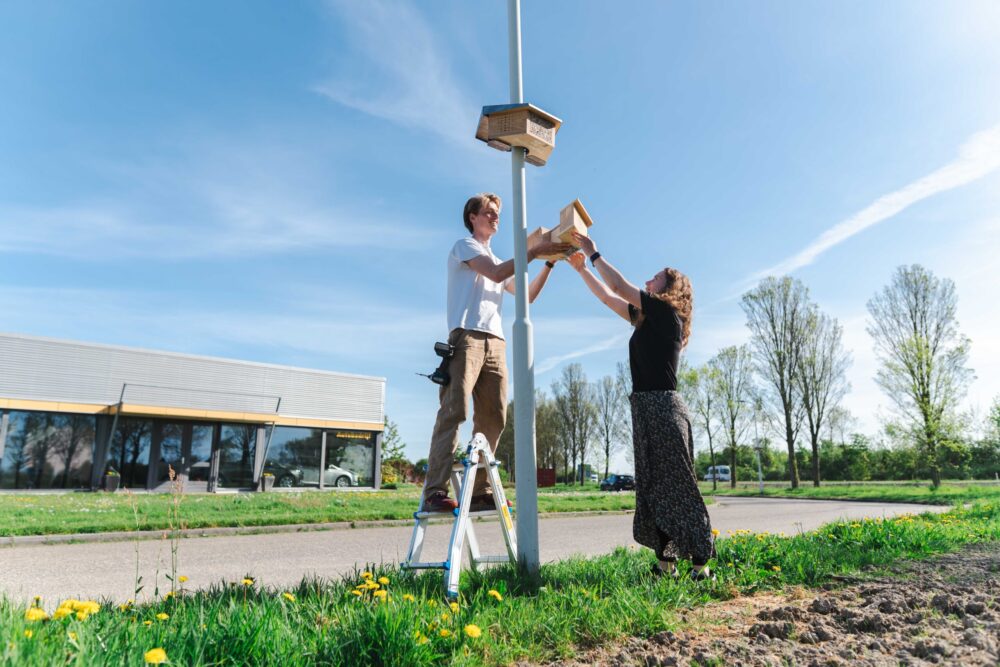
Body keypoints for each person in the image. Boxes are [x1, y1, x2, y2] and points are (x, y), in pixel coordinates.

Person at [567, 232, 715, 579]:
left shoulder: (666, 312)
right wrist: (581, 270)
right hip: (645, 408)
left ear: (670, 288)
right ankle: (666, 565)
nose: (649, 280)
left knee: (678, 485)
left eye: (656, 277)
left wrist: (593, 252)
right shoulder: (648, 318)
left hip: (664, 407)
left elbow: (618, 286)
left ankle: (701, 564)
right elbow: (608, 298)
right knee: (653, 486)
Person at [422, 193, 571, 513]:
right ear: (472, 217)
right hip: (467, 338)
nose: (495, 218)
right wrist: (532, 251)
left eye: (497, 214)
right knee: (455, 410)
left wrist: (548, 262)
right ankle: (435, 490)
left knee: (494, 417)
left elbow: (526, 296)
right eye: (489, 213)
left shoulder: (500, 258)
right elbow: (496, 273)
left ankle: (479, 491)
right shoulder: (466, 246)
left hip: (496, 342)